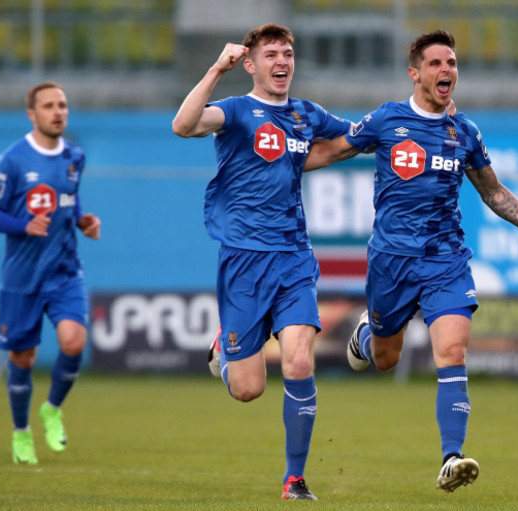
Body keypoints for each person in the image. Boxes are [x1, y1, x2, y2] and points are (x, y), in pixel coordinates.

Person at [303, 30, 518, 494]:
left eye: (451, 62)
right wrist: (278, 166)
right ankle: (366, 338)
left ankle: (451, 457)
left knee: (452, 352)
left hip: (446, 259)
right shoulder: (388, 120)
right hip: (391, 260)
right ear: (415, 73)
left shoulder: (465, 131)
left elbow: (492, 192)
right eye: (436, 64)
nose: (446, 70)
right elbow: (333, 150)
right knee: (385, 359)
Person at [171, 23, 352, 500]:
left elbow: (355, 136)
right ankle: (224, 352)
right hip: (244, 261)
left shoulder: (305, 115)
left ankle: (295, 479)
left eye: (288, 53)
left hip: (293, 258)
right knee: (249, 389)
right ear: (250, 64)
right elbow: (183, 125)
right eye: (271, 54)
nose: (282, 61)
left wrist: (419, 120)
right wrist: (215, 69)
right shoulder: (235, 110)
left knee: (297, 360)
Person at [0, 81, 101, 465]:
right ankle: (21, 433)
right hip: (23, 276)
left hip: (65, 270)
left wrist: (83, 221)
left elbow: (71, 197)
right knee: (24, 357)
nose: (58, 111)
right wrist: (23, 225)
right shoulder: (12, 159)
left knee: (73, 342)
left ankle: (52, 409)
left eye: (62, 104)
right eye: (49, 106)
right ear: (32, 114)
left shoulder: (74, 156)